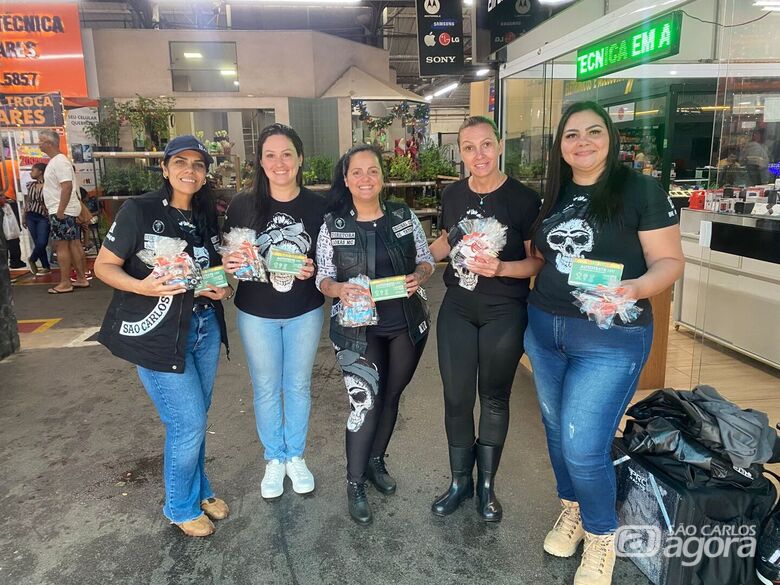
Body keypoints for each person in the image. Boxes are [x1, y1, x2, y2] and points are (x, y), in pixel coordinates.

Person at [524, 101, 683, 585]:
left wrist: (634, 288)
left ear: (610, 138)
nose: (583, 142)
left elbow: (669, 262)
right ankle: (572, 509)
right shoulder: (553, 194)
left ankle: (600, 537)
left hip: (612, 337)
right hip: (545, 329)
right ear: (561, 146)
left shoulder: (641, 191)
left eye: (594, 132)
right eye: (572, 135)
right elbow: (542, 258)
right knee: (556, 432)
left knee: (583, 445)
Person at [94, 135, 232, 537]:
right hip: (156, 334)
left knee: (196, 418)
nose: (190, 170)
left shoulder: (207, 216)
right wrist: (145, 287)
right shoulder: (139, 210)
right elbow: (105, 266)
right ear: (166, 167)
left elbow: (209, 273)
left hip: (203, 328)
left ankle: (200, 490)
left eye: (198, 165)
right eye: (181, 162)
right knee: (187, 422)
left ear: (206, 174)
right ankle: (179, 505)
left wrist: (219, 285)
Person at [428, 116, 542, 523]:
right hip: (458, 307)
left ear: (499, 145)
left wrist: (502, 269)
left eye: (486, 145)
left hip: (504, 310)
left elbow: (536, 262)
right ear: (460, 153)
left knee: (494, 397)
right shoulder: (452, 194)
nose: (479, 155)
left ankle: (487, 487)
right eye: (469, 147)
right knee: (457, 398)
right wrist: (421, 264)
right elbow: (446, 241)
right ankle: (461, 481)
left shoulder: (524, 199)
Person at [316, 144, 434, 525]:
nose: (365, 178)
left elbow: (426, 258)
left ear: (382, 177)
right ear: (346, 179)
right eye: (357, 172)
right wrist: (337, 290)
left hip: (405, 324)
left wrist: (422, 275)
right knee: (365, 402)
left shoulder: (403, 215)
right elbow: (322, 275)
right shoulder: (333, 223)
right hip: (356, 331)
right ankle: (354, 483)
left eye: (373, 171)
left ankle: (375, 461)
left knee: (391, 396)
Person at [222, 124, 325, 500]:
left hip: (304, 311)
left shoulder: (318, 207)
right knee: (266, 387)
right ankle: (273, 459)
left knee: (297, 386)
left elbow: (327, 261)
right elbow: (227, 253)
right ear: (260, 162)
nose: (279, 163)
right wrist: (230, 262)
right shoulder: (242, 205)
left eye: (287, 154)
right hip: (255, 312)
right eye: (270, 155)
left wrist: (316, 269)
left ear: (299, 159)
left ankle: (295, 455)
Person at [37, 130, 89, 293]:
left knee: (61, 246)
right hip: (66, 209)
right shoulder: (59, 161)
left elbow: (66, 186)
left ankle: (65, 282)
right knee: (73, 243)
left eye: (41, 141)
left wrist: (60, 211)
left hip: (62, 210)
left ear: (49, 143)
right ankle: (80, 278)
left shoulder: (59, 162)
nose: (39, 144)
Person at [22, 163, 51, 275]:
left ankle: (32, 258)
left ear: (40, 172)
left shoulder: (49, 185)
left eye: (33, 170)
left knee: (42, 241)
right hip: (31, 215)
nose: (31, 172)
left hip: (43, 216)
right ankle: (45, 266)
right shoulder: (31, 185)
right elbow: (28, 201)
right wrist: (24, 216)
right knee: (37, 241)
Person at [1, 148, 25, 269]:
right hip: (10, 202)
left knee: (3, 235)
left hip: (4, 201)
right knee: (13, 233)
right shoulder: (15, 165)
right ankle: (15, 260)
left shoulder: (4, 166)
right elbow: (20, 184)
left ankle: (4, 261)